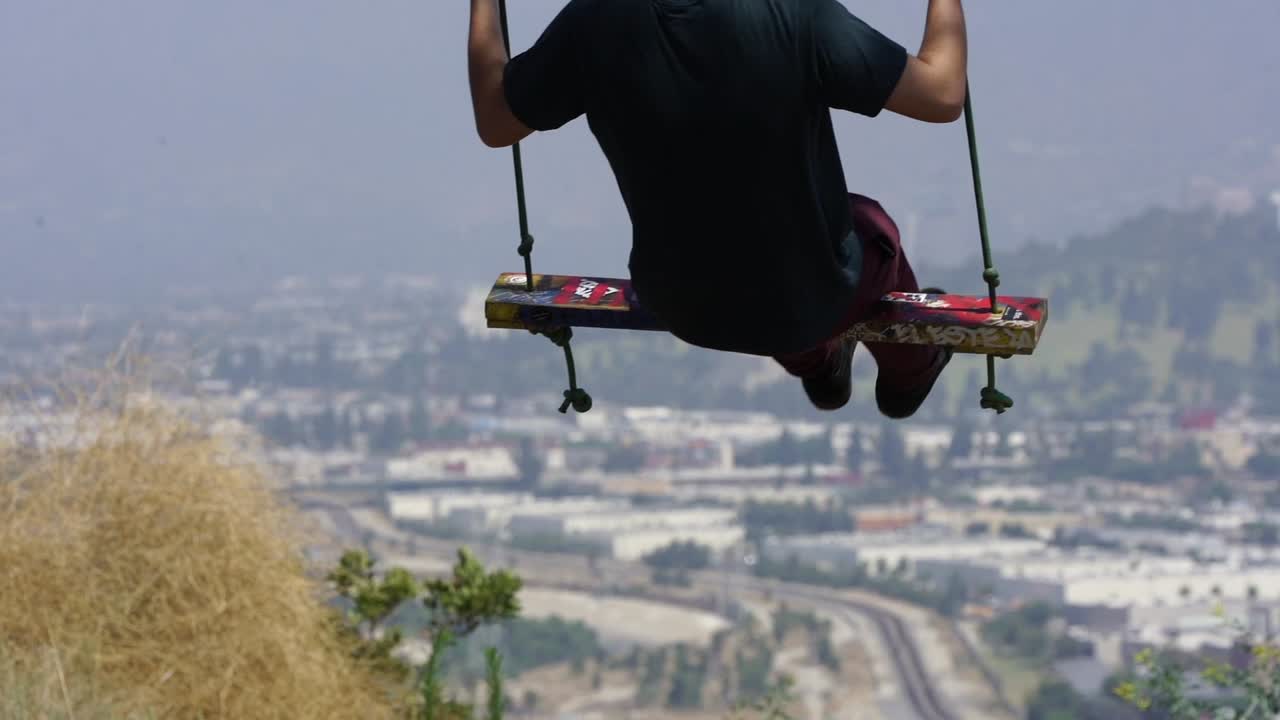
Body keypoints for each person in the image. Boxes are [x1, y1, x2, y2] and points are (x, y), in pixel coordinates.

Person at [467, 0, 968, 418]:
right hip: (804, 301)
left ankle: (817, 364)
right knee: (873, 230)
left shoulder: (594, 19)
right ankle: (908, 371)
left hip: (680, 302)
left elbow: (495, 123)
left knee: (751, 238)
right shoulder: (794, 13)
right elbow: (943, 95)